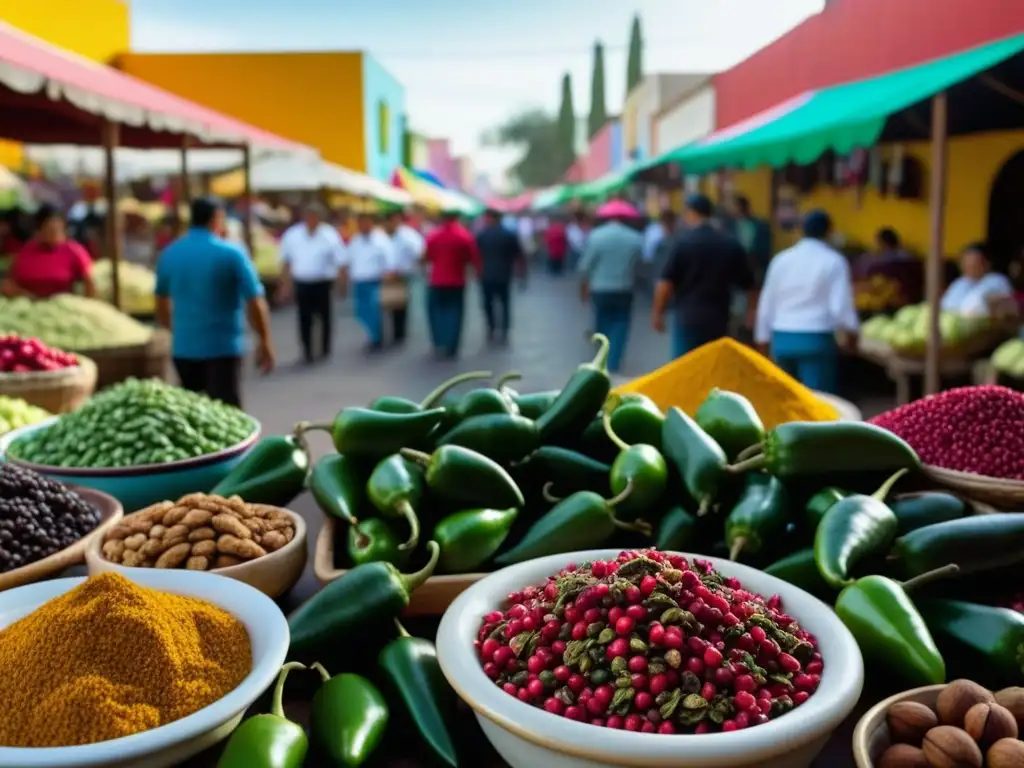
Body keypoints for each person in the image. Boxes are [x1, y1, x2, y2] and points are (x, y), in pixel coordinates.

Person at [155, 197, 274, 408]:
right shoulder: (232, 253)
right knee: (228, 416)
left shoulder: (170, 254)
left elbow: (161, 301)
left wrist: (175, 330)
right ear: (217, 218)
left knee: (192, 415)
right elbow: (255, 301)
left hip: (184, 349)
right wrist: (264, 340)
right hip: (223, 348)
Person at [754, 210, 860, 394]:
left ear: (801, 230)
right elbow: (840, 308)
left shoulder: (781, 260)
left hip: (782, 339)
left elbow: (767, 302)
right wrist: (852, 334)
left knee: (784, 400)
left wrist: (762, 339)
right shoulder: (834, 261)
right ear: (830, 231)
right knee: (817, 404)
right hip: (816, 340)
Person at [652, 194, 757, 358]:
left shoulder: (683, 242)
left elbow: (665, 283)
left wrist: (658, 314)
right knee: (712, 366)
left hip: (687, 317)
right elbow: (750, 285)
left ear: (691, 213)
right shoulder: (729, 243)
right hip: (719, 319)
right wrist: (751, 313)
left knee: (684, 367)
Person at [578, 209, 645, 373]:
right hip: (624, 287)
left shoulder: (596, 236)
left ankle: (602, 357)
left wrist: (583, 288)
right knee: (621, 324)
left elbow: (585, 266)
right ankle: (614, 362)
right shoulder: (635, 238)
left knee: (602, 322)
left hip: (600, 288)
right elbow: (640, 265)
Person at [278, 205, 346, 364]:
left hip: (322, 281)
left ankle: (325, 349)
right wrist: (285, 285)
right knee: (304, 318)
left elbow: (340, 260)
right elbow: (286, 261)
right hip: (302, 281)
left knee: (324, 316)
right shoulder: (293, 235)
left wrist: (342, 283)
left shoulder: (329, 234)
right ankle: (307, 350)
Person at [424, 208, 481, 359]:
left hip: (436, 280)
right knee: (455, 313)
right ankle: (451, 345)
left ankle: (439, 342)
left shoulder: (433, 236)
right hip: (456, 280)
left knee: (437, 313)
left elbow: (427, 256)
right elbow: (472, 258)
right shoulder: (464, 236)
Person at [4, 205, 95, 299]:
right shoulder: (25, 252)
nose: (54, 234)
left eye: (58, 230)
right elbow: (10, 283)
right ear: (39, 230)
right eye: (50, 230)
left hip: (64, 304)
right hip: (28, 304)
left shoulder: (74, 251)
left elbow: (89, 283)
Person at [339, 212, 397, 354]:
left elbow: (390, 261)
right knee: (361, 312)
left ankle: (377, 338)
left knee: (374, 311)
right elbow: (347, 260)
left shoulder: (381, 240)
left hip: (375, 281)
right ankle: (372, 336)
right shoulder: (356, 240)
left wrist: (388, 277)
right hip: (359, 281)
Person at [476, 208, 523, 346]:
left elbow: (476, 255)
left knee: (488, 304)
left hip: (486, 275)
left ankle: (491, 329)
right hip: (504, 274)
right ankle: (504, 330)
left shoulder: (482, 235)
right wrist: (520, 274)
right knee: (505, 303)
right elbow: (518, 254)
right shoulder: (509, 235)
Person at [382, 208, 425, 346]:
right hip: (389, 274)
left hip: (402, 274)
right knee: (392, 305)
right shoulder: (384, 235)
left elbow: (419, 252)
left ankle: (399, 334)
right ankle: (395, 332)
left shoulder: (407, 235)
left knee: (399, 305)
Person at [941, 241, 1013, 316]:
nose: (968, 267)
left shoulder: (997, 281)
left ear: (987, 264)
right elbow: (946, 305)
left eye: (973, 263)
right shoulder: (960, 282)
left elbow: (975, 307)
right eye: (965, 263)